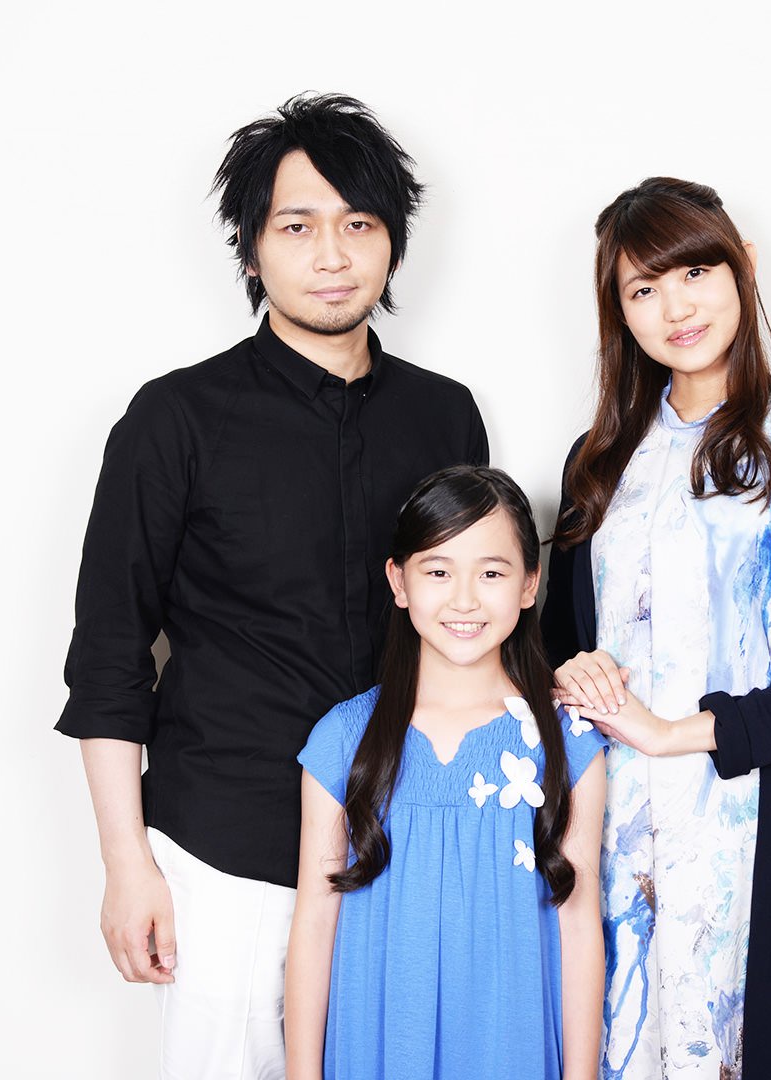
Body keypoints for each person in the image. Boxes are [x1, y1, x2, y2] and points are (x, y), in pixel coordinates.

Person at [55, 94, 488, 1079]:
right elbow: (110, 653)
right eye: (297, 227)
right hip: (228, 847)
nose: (331, 254)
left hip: (405, 837)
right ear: (252, 250)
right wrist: (127, 863)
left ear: (392, 243)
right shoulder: (174, 420)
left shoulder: (444, 417)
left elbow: (472, 626)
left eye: (358, 224)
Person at [541, 178, 771, 1079]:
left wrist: (673, 732)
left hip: (759, 829)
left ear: (745, 267)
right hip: (614, 832)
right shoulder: (600, 459)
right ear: (619, 311)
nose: (676, 307)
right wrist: (569, 673)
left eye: (694, 272)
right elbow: (551, 645)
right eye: (643, 288)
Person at [287, 466, 607, 1080]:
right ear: (398, 581)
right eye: (438, 571)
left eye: (491, 573)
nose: (464, 599)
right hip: (378, 1048)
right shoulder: (343, 741)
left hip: (510, 1051)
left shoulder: (568, 744)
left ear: (530, 584)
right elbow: (314, 925)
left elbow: (579, 925)